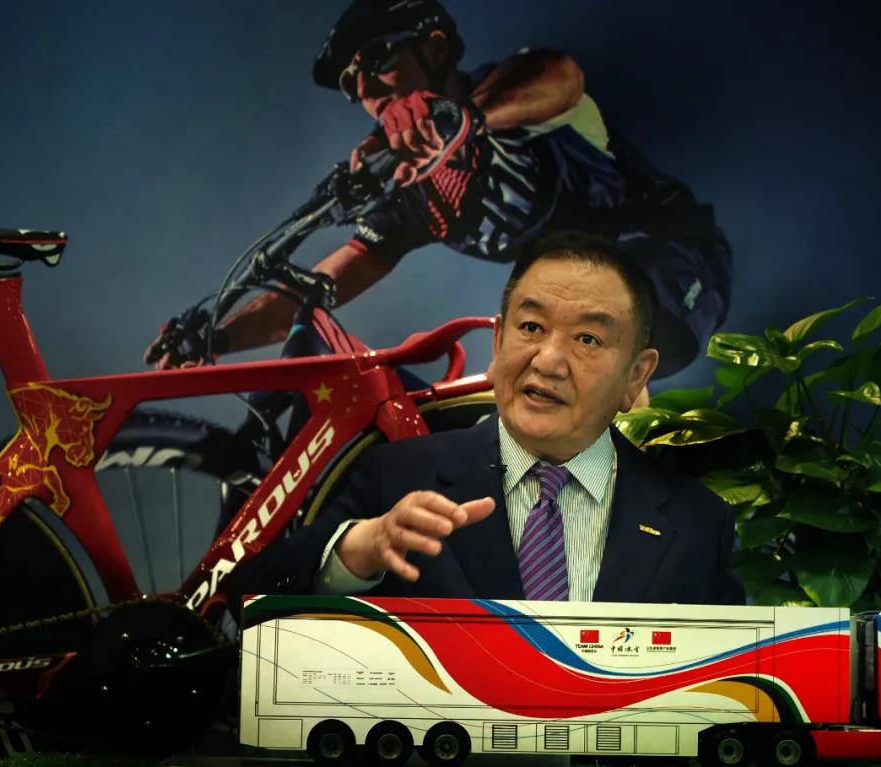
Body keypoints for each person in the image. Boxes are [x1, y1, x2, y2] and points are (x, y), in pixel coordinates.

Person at [145, 0, 731, 382]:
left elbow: (561, 77)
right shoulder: (415, 192)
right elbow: (322, 284)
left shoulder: (516, 97)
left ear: (434, 45)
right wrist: (216, 336)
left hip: (674, 266)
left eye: (377, 59)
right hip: (568, 315)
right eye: (351, 82)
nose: (365, 87)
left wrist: (460, 117)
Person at [236, 230, 742, 605]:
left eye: (587, 338)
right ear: (498, 342)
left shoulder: (697, 521)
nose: (548, 360)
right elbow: (250, 604)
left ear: (636, 376)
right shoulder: (396, 475)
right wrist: (359, 551)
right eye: (531, 327)